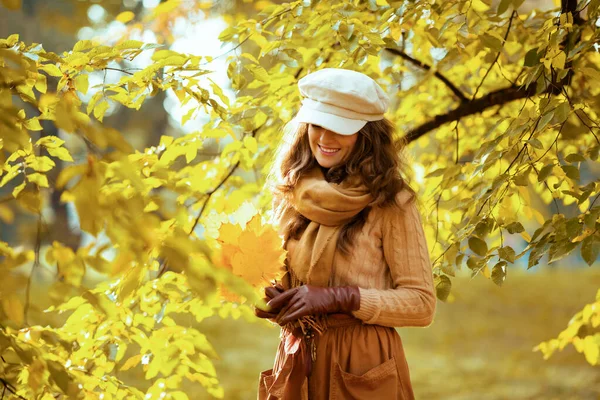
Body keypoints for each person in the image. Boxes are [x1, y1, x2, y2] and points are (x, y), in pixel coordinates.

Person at [254, 68, 436, 400]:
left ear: (367, 134)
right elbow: (287, 281)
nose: (325, 138)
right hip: (297, 357)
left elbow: (422, 304)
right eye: (317, 124)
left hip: (362, 362)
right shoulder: (291, 192)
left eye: (339, 128)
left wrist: (343, 298)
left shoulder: (392, 202)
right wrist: (275, 300)